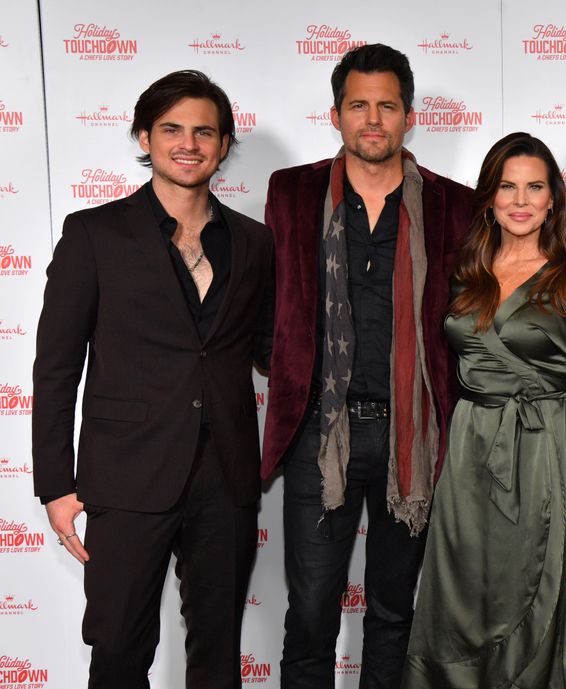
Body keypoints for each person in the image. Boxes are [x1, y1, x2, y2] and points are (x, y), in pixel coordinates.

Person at [32, 69, 274, 689]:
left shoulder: (253, 242)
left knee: (217, 651)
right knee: (116, 646)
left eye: (204, 131)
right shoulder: (94, 234)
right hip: (126, 472)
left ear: (222, 146)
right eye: (172, 129)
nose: (188, 143)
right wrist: (56, 485)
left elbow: (273, 349)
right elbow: (57, 368)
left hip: (225, 472)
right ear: (145, 136)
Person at [260, 43, 472, 689]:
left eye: (387, 105)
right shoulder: (292, 192)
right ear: (336, 114)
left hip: (413, 438)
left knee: (392, 614)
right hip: (319, 434)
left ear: (409, 116)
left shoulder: (453, 205)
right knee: (311, 613)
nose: (372, 119)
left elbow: (467, 326)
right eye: (359, 105)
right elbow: (269, 306)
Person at [402, 131, 566, 689]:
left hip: (545, 449)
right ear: (489, 197)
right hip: (469, 450)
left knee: (537, 581)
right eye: (508, 187)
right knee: (463, 588)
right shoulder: (463, 274)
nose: (521, 200)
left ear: (554, 199)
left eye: (534, 187)